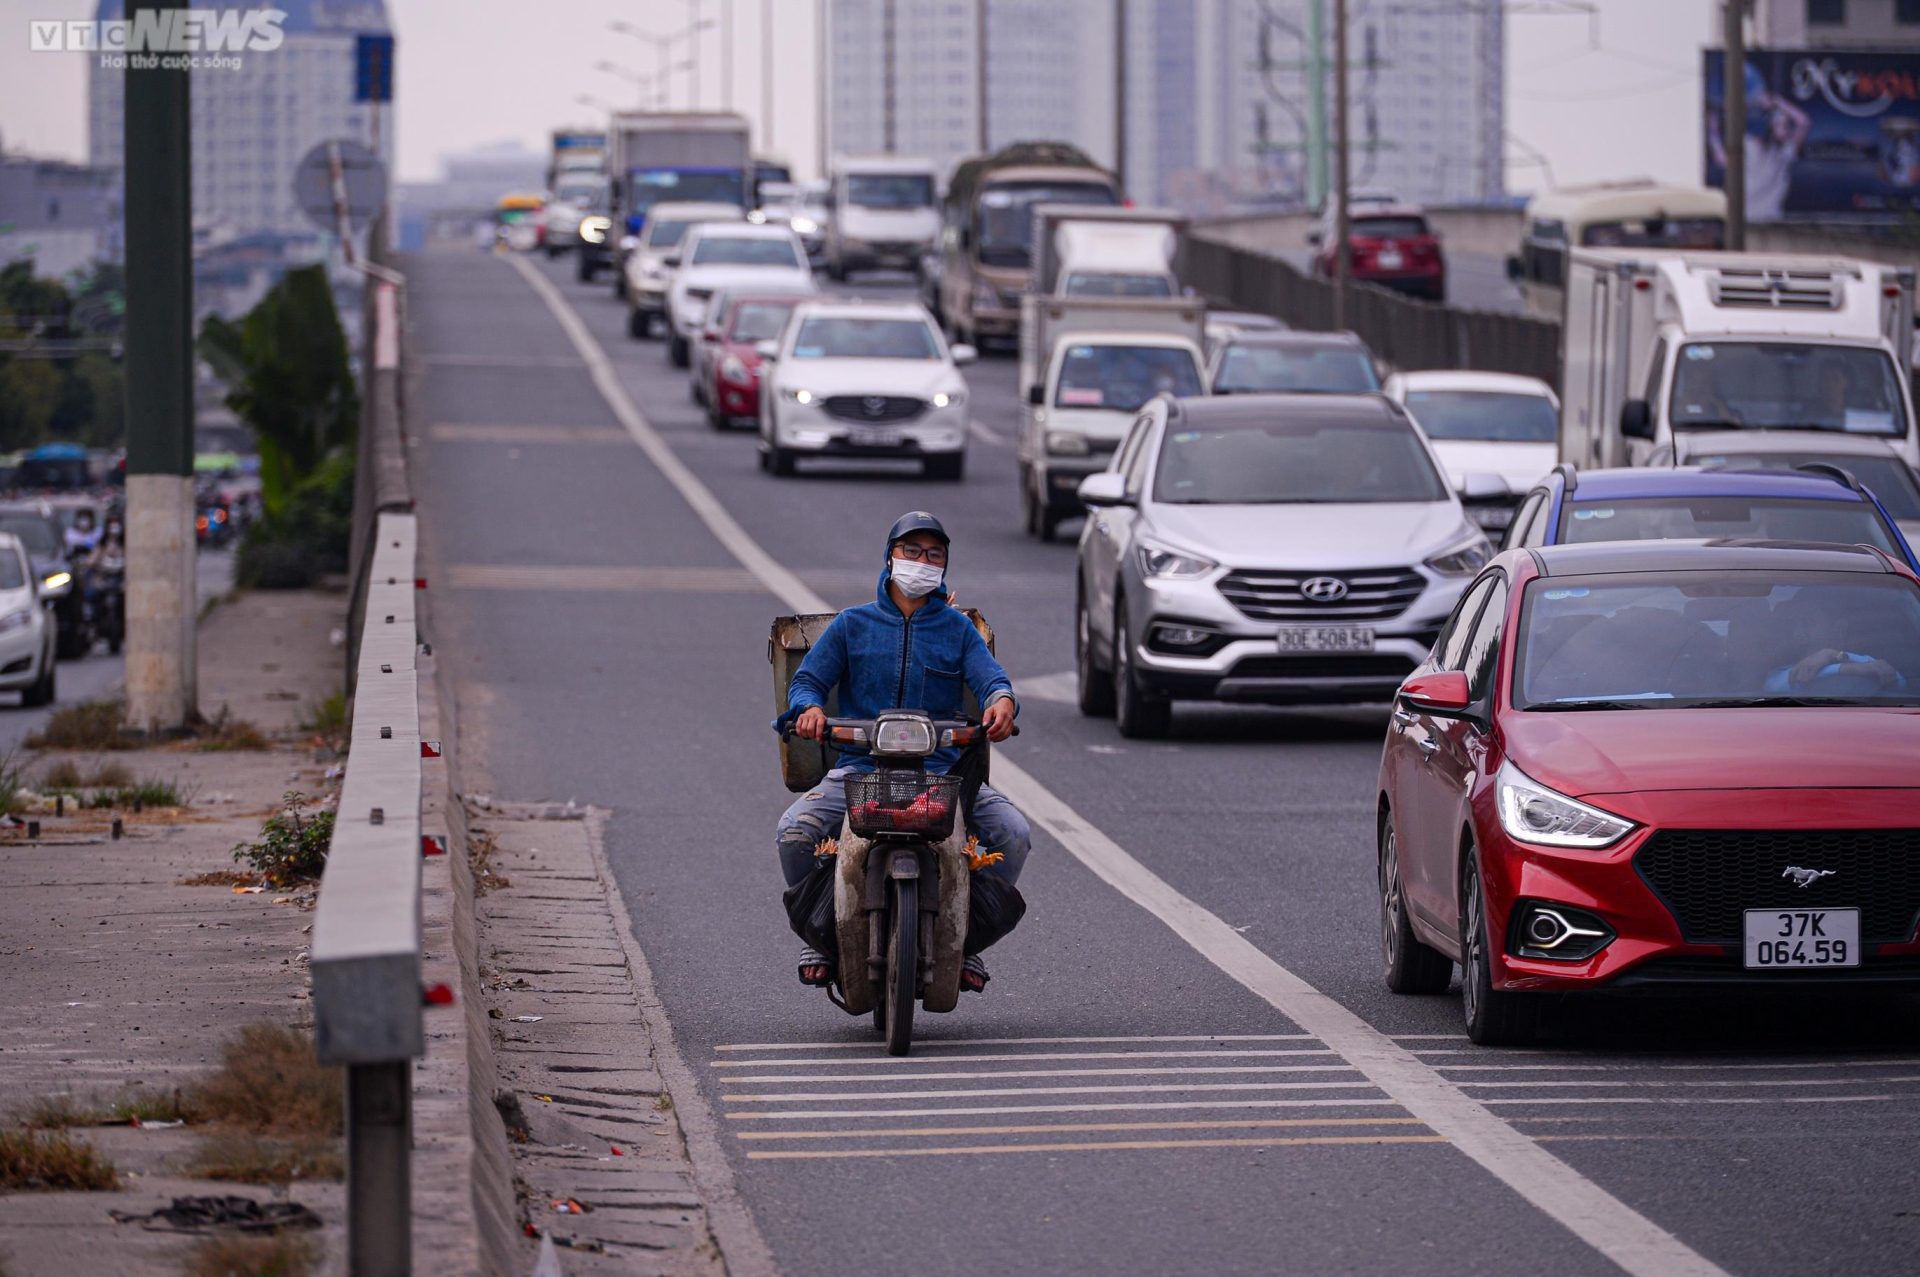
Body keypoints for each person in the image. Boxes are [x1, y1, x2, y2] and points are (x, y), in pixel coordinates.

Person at [773, 512, 1028, 992]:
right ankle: (818, 932)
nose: (922, 561)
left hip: (942, 776)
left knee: (1014, 834)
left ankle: (966, 939)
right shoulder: (851, 625)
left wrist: (1002, 702)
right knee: (793, 833)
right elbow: (807, 681)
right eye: (911, 551)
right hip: (860, 771)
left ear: (945, 565)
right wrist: (808, 710)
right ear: (890, 557)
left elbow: (992, 679)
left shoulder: (958, 630)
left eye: (934, 554)